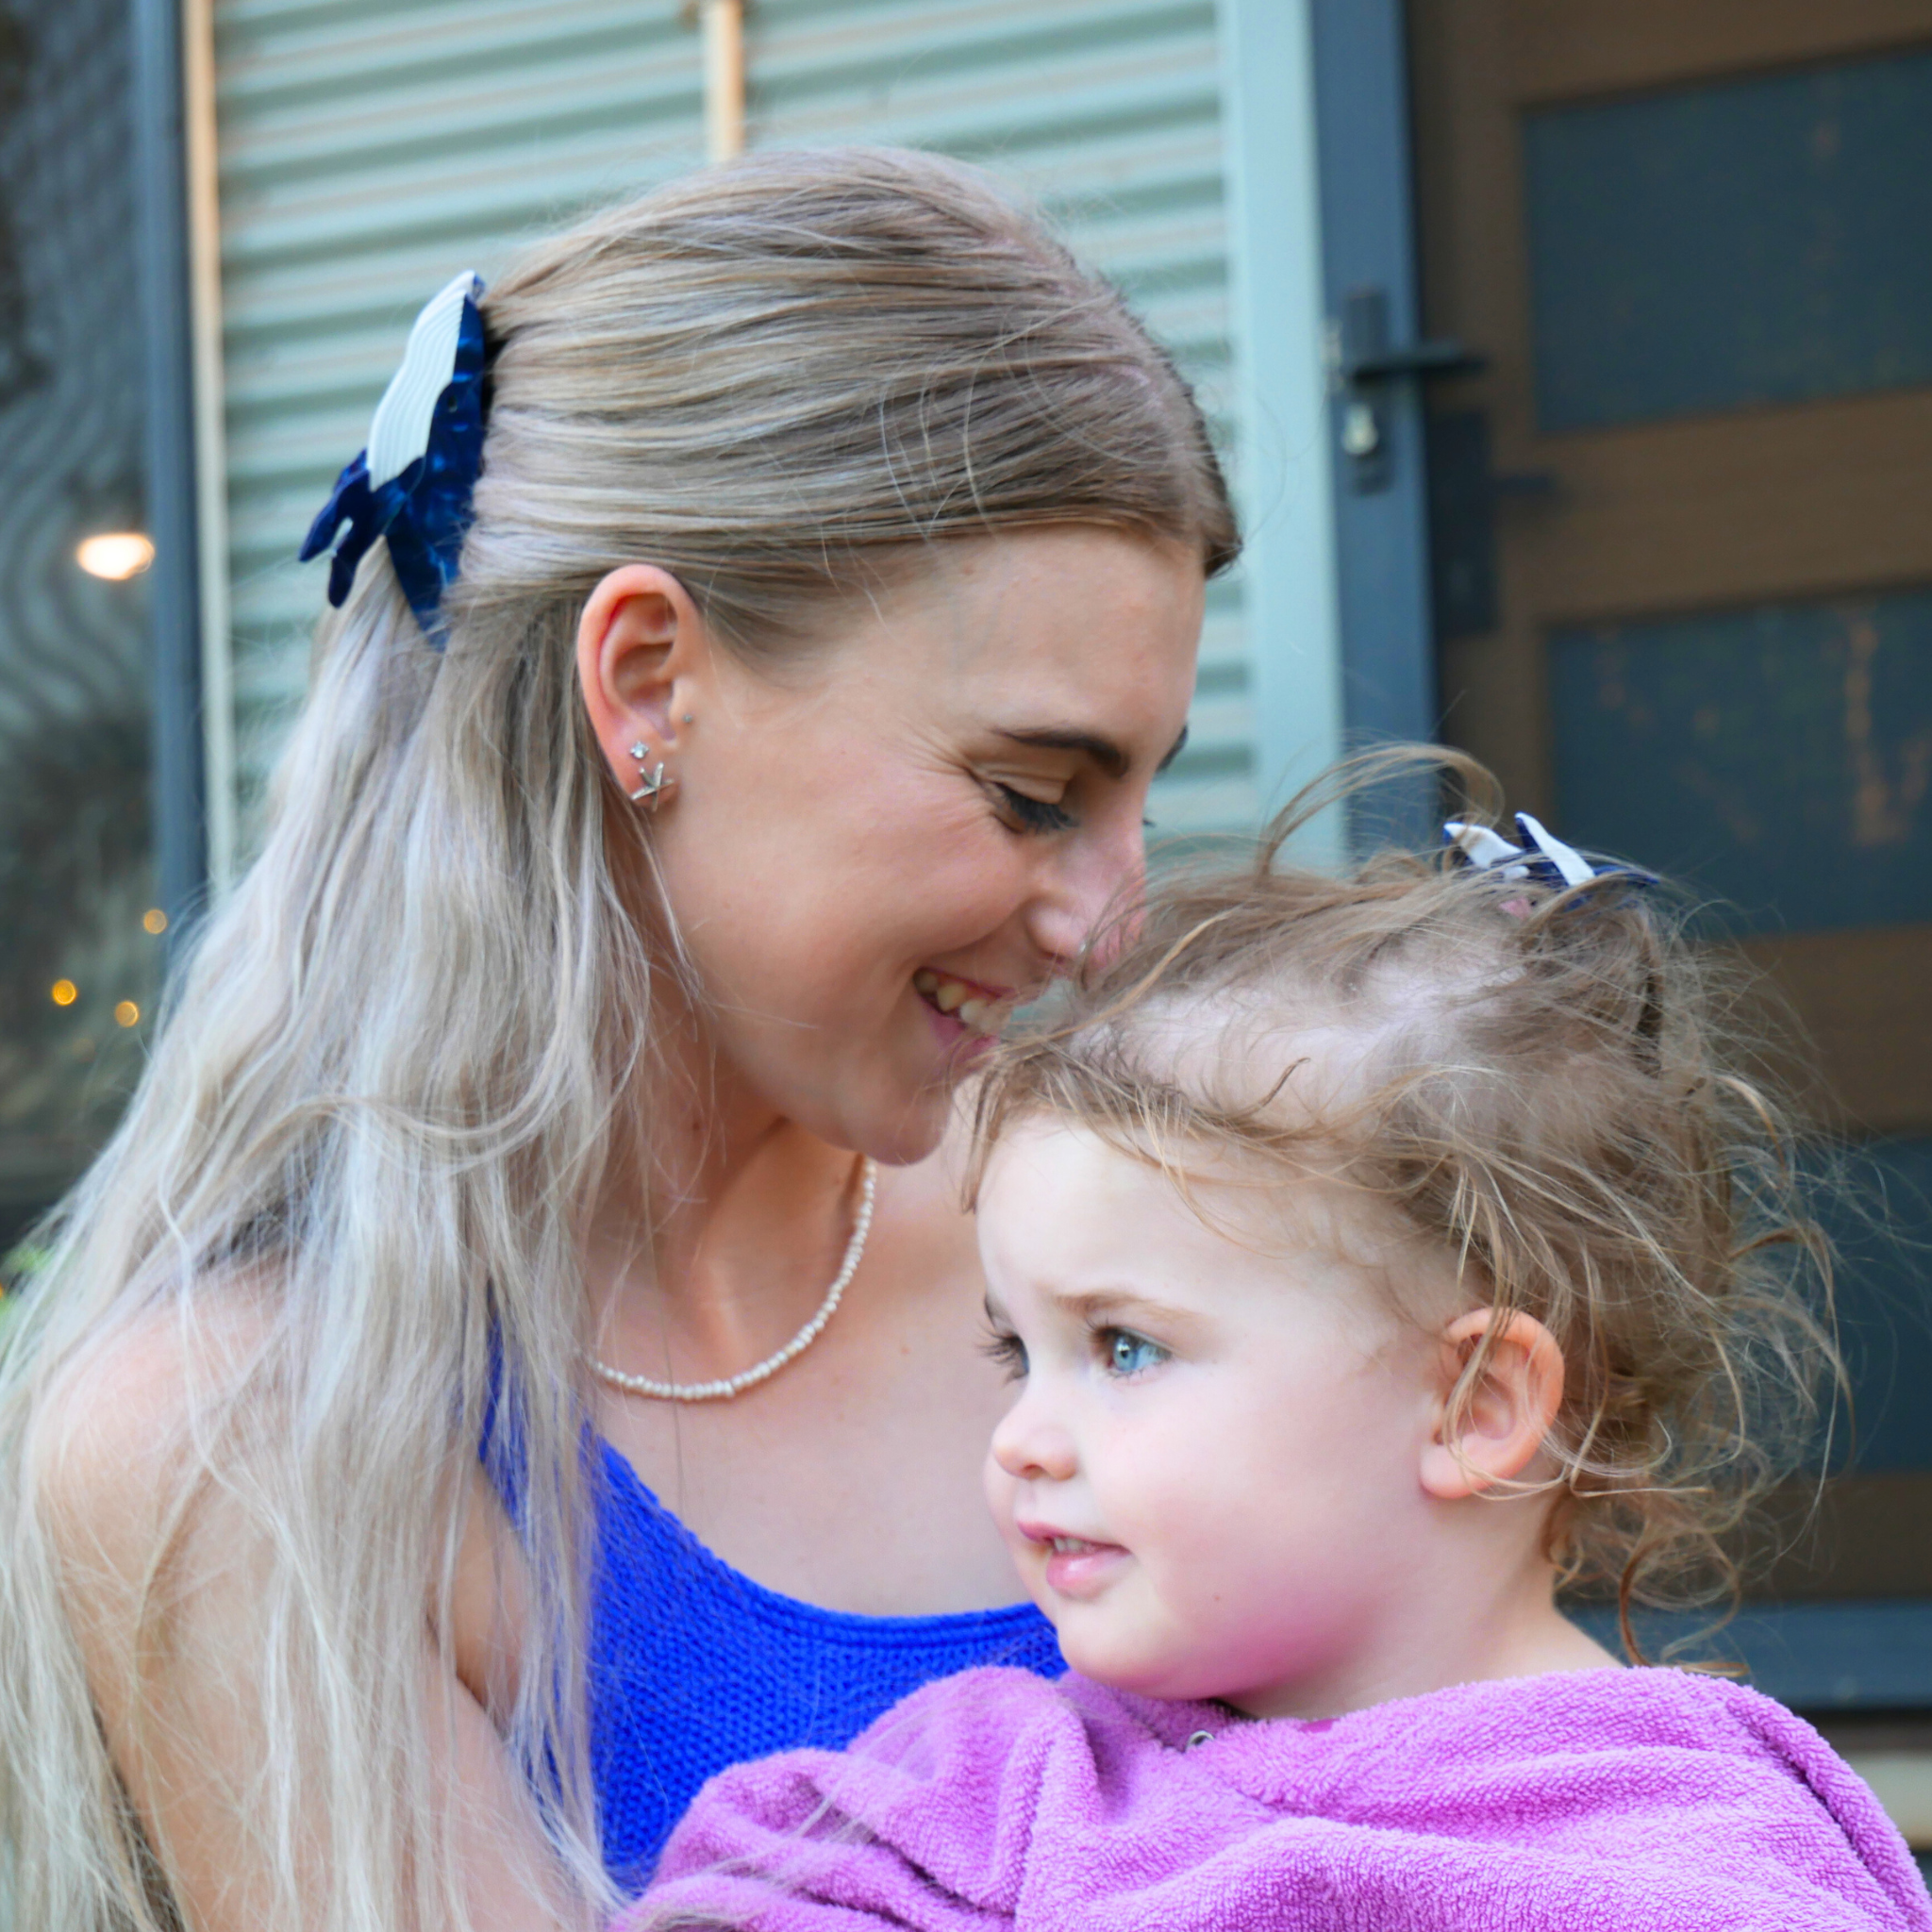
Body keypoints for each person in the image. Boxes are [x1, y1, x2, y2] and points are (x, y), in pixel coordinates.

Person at [0, 148, 1238, 1932]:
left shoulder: (1152, 1230)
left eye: (1136, 800)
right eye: (1033, 793)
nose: (1110, 924)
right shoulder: (248, 1445)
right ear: (648, 680)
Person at [637, 769, 1932, 1931]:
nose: (1022, 1441)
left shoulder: (1688, 1861)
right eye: (1019, 1353)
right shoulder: (1005, 1777)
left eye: (1124, 1349)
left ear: (1474, 1404)